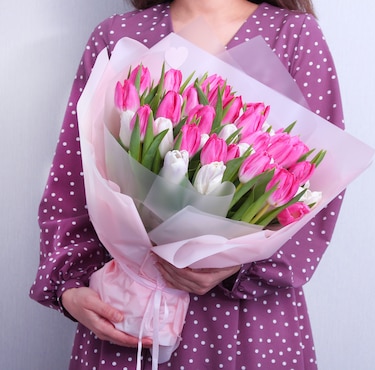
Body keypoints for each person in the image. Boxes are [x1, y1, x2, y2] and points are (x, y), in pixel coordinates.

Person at [30, 0, 345, 368]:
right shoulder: (117, 36)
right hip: (127, 316)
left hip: (246, 324)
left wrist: (237, 270)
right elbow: (71, 183)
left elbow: (316, 192)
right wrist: (69, 287)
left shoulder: (294, 34)